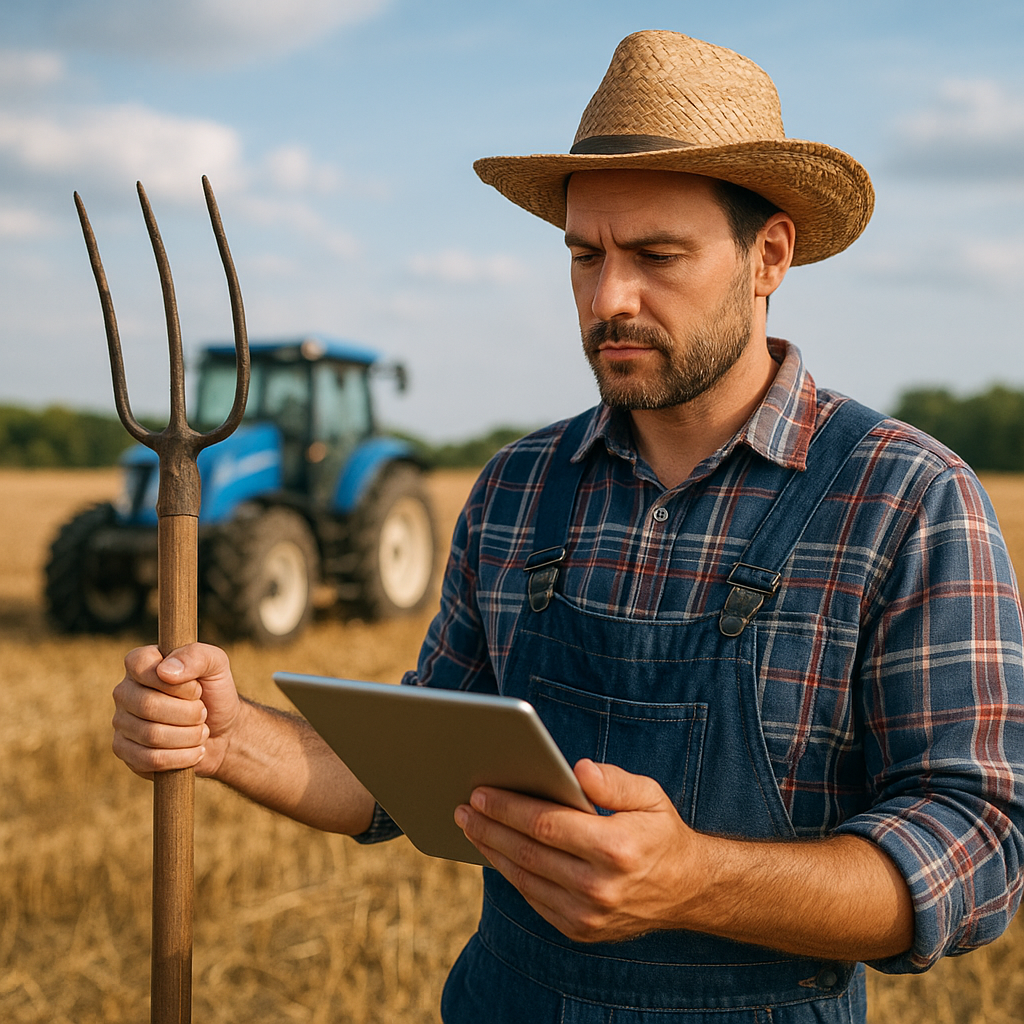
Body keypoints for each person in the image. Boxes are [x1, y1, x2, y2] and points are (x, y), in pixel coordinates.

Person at [112, 30, 1024, 1024]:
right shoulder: (517, 489)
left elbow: (978, 843)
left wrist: (695, 880)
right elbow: (412, 780)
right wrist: (230, 733)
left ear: (769, 255)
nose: (608, 299)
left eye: (655, 255)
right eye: (585, 255)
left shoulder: (905, 498)